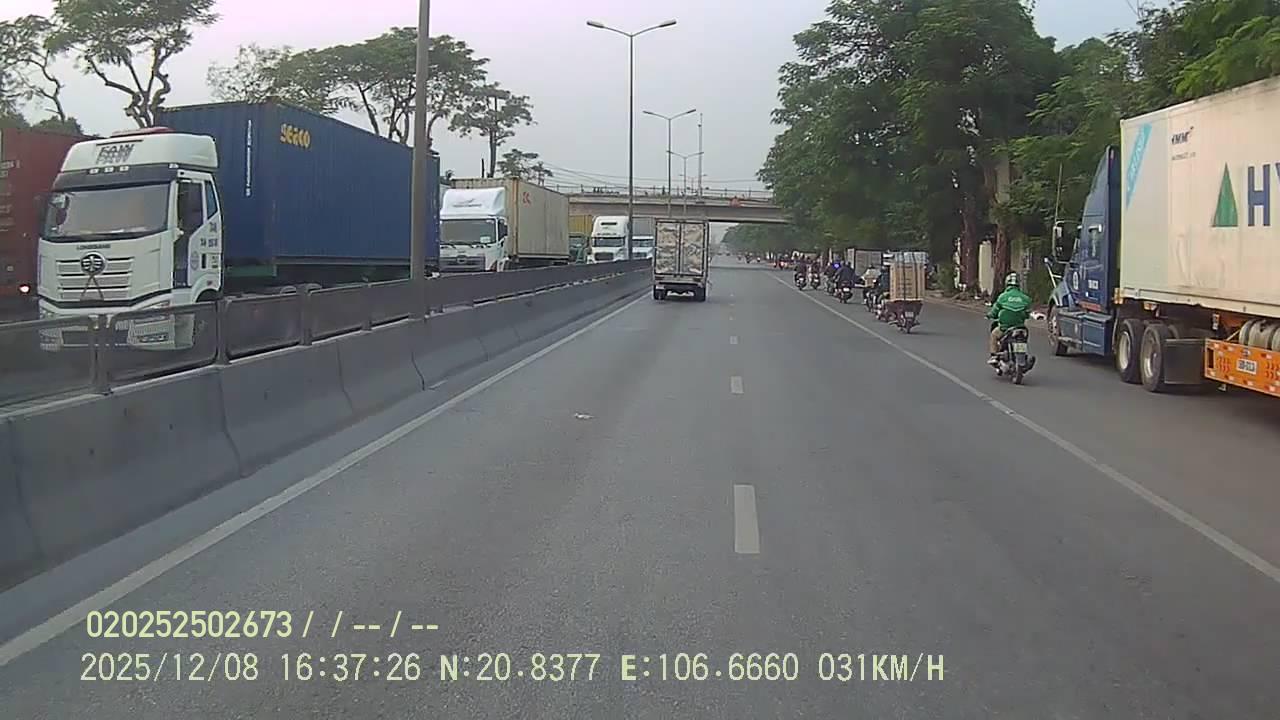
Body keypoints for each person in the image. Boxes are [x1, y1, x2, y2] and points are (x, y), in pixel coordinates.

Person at [987, 272, 1034, 365]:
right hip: (1020, 326)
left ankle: (994, 356)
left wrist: (989, 315)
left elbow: (994, 311)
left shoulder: (1002, 297)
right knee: (1024, 338)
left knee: (994, 335)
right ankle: (1023, 356)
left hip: (1005, 327)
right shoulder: (1025, 298)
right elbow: (1027, 313)